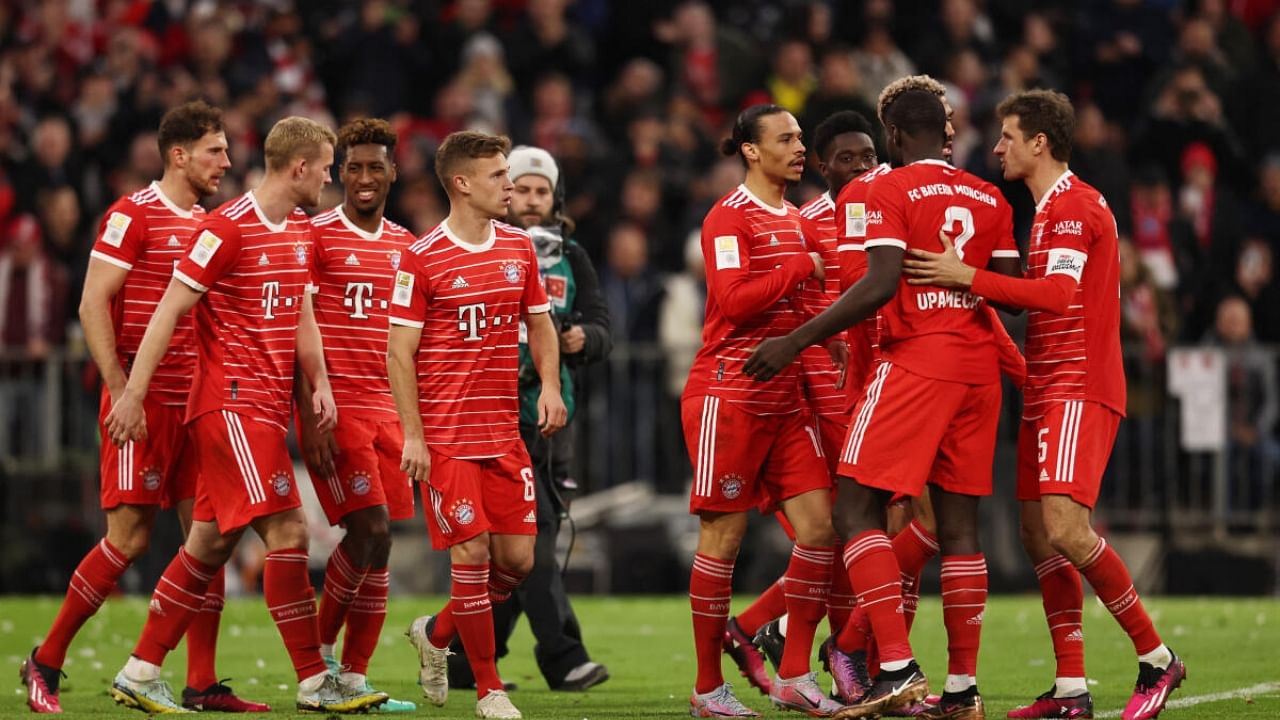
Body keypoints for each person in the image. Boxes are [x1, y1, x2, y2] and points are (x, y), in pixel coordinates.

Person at [902, 88, 1186, 720]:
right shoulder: (1051, 209)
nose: (996, 147)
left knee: (1064, 528)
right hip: (1046, 386)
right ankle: (1071, 690)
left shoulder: (1071, 209)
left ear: (1039, 142)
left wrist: (966, 277)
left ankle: (1157, 659)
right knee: (1037, 537)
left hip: (1078, 388)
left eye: (1006, 136)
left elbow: (1056, 296)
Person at [745, 88, 1023, 719]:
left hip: (918, 363)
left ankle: (893, 666)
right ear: (945, 132)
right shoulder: (990, 196)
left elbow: (876, 285)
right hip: (978, 374)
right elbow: (1010, 293)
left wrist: (795, 340)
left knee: (853, 509)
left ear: (892, 136)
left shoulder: (885, 191)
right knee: (958, 530)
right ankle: (962, 689)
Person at [102, 116, 387, 714]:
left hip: (263, 409)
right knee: (287, 532)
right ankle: (315, 681)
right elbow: (167, 311)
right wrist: (131, 394)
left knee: (208, 545)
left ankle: (139, 669)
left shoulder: (302, 230)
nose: (332, 179)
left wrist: (320, 382)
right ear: (300, 167)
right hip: (229, 405)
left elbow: (302, 314)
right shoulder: (224, 229)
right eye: (329, 167)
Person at [19, 101, 269, 714]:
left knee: (205, 541)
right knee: (127, 538)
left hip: (197, 405)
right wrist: (121, 388)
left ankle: (202, 682)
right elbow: (90, 304)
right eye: (216, 150)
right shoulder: (131, 215)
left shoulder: (212, 223)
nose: (227, 162)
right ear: (179, 154)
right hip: (143, 399)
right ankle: (45, 662)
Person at [395, 131, 568, 720]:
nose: (511, 186)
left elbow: (540, 323)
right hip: (446, 440)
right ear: (462, 184)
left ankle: (437, 633)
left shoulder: (519, 248)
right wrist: (414, 436)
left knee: (517, 562)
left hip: (503, 434)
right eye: (499, 176)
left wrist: (548, 386)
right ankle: (490, 690)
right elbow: (399, 354)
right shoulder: (421, 258)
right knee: (470, 556)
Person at [682, 103, 842, 719]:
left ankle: (795, 672)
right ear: (751, 149)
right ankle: (706, 688)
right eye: (786, 138)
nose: (800, 147)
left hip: (786, 398)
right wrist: (801, 264)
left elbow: (807, 311)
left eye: (801, 137)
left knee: (821, 530)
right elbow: (734, 299)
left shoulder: (800, 219)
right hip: (731, 393)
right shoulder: (729, 219)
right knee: (723, 537)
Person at [720, 109, 879, 695]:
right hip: (816, 394)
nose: (861, 167)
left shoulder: (886, 211)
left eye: (869, 156)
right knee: (859, 528)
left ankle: (764, 629)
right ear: (821, 166)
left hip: (867, 385)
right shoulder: (806, 221)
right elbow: (781, 310)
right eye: (846, 158)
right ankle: (847, 659)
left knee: (851, 533)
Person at [445, 144, 612, 693]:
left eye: (544, 190)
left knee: (522, 549)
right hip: (489, 416)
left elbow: (602, 326)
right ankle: (564, 657)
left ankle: (464, 662)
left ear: (556, 196)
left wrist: (585, 338)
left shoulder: (571, 255)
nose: (534, 200)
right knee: (527, 542)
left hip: (551, 420)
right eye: (524, 188)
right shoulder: (488, 250)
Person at [300, 117, 418, 712]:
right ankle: (317, 659)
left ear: (393, 172)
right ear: (338, 173)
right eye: (353, 167)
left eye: (376, 167)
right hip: (336, 405)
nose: (364, 178)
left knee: (383, 542)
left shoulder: (405, 246)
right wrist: (309, 413)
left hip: (388, 410)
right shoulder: (315, 236)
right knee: (368, 528)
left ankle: (354, 675)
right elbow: (300, 327)